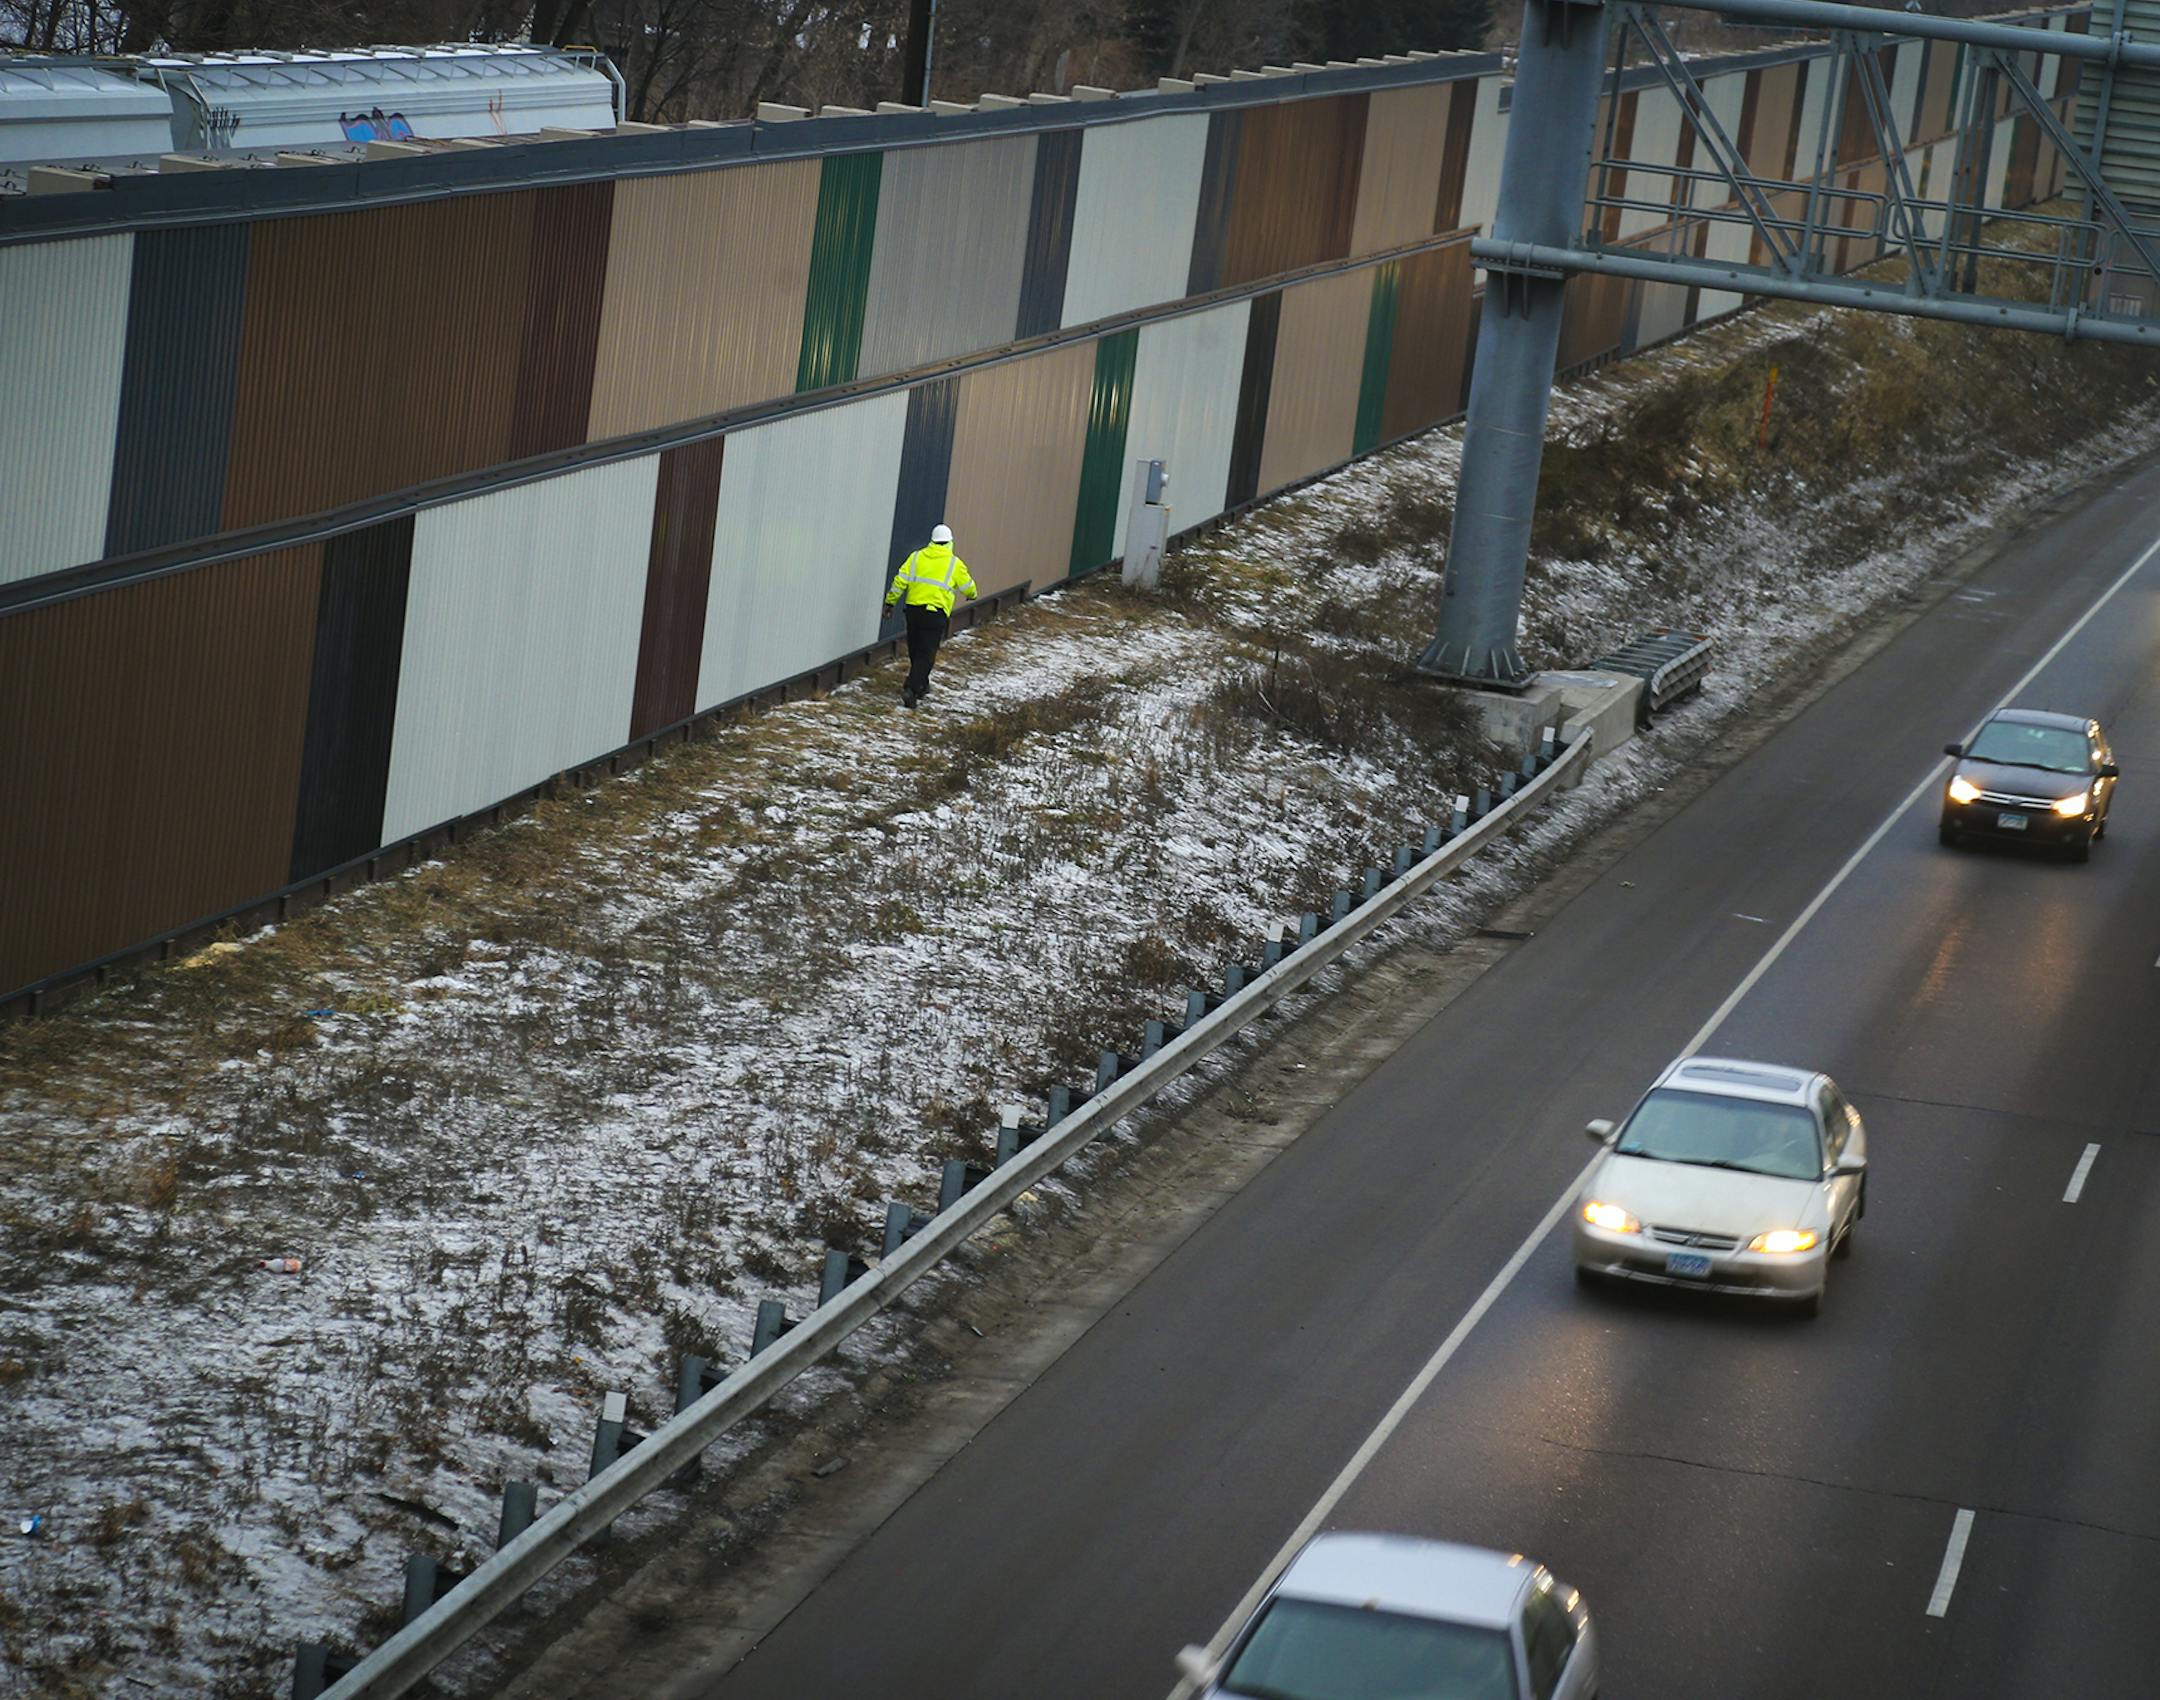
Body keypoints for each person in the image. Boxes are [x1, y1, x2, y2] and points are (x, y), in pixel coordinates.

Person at [883, 522, 977, 708]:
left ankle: (921, 685)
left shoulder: (916, 557)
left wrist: (890, 602)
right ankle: (911, 688)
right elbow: (969, 587)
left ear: (932, 541)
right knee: (926, 654)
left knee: (916, 650)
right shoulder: (954, 564)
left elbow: (899, 580)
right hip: (935, 614)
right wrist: (971, 595)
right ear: (950, 542)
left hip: (913, 611)